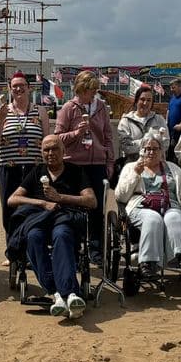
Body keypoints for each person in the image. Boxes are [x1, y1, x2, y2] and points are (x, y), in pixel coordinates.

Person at [6, 134, 97, 320]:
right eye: (46, 150)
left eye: (55, 148)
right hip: (40, 219)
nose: (50, 153)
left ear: (63, 151)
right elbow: (12, 199)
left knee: (61, 235)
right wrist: (42, 203)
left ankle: (68, 294)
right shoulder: (37, 172)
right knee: (33, 236)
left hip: (65, 218)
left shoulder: (75, 171)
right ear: (41, 153)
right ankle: (59, 293)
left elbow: (91, 201)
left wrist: (60, 198)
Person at [114, 130, 181, 278]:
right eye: (147, 148)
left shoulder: (174, 169)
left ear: (162, 151)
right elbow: (121, 196)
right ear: (142, 150)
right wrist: (135, 174)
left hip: (170, 205)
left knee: (174, 218)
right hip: (141, 206)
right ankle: (147, 263)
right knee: (153, 218)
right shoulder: (131, 167)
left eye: (155, 149)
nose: (151, 152)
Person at [54, 70, 114, 264]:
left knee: (97, 208)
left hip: (97, 164)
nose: (94, 93)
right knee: (73, 208)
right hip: (74, 164)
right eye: (91, 89)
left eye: (96, 89)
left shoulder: (101, 107)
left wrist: (109, 161)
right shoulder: (68, 108)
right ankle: (74, 249)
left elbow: (108, 136)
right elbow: (58, 138)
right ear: (81, 89)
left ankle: (96, 251)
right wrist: (76, 133)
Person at [0, 70, 51, 243]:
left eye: (22, 85)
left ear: (29, 88)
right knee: (9, 208)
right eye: (14, 86)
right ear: (10, 89)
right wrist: (0, 120)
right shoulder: (2, 111)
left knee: (33, 207)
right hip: (9, 168)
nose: (18, 89)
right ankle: (12, 248)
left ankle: (30, 247)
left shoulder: (40, 111)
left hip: (34, 169)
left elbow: (47, 141)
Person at [117, 86, 169, 177]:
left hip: (157, 170)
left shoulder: (159, 119)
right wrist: (149, 142)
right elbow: (125, 146)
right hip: (133, 168)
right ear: (136, 101)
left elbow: (165, 143)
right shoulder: (126, 121)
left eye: (149, 100)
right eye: (142, 99)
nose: (145, 103)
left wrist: (137, 145)